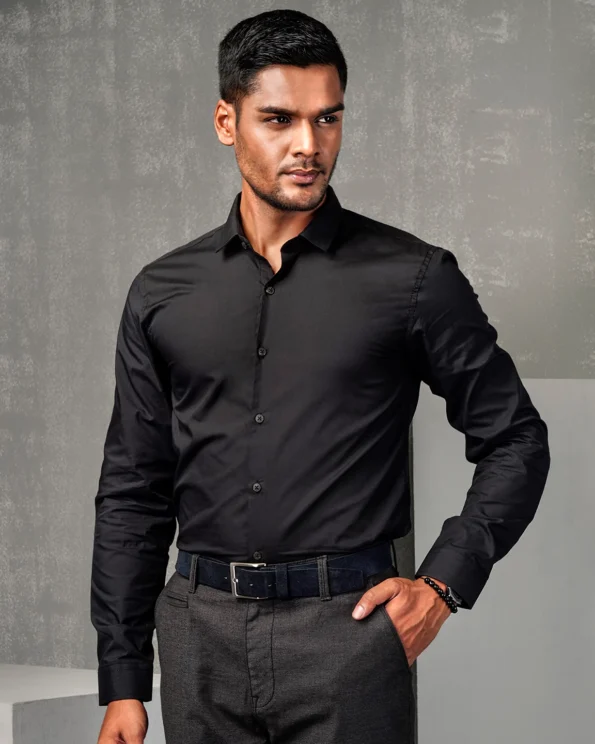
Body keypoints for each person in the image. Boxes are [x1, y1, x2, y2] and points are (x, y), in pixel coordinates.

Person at [91, 8, 551, 744]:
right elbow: (133, 488)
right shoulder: (161, 291)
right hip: (197, 638)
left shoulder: (414, 278)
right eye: (279, 119)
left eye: (327, 118)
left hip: (350, 634)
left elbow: (516, 439)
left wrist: (441, 585)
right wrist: (122, 680)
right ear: (226, 121)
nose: (308, 145)